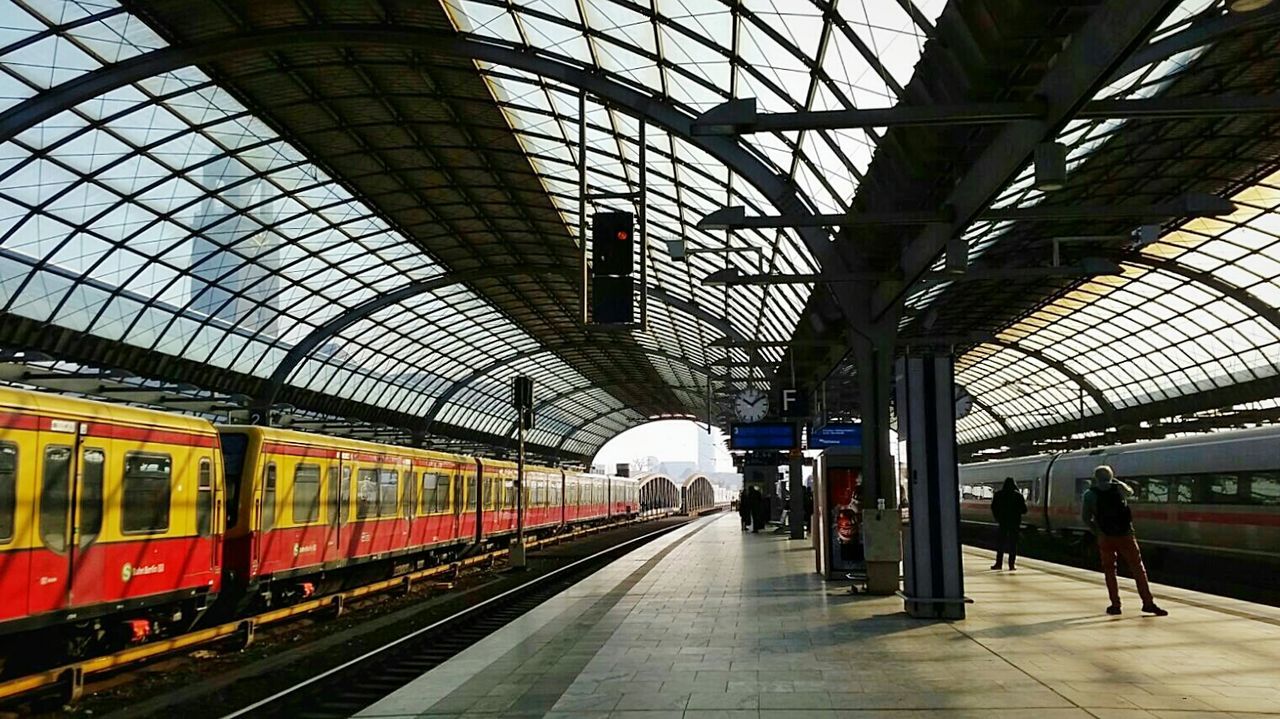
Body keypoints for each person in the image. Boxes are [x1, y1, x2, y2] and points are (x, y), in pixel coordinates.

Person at [1082, 465, 1168, 616]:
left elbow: (1085, 518)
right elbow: (1131, 491)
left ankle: (1115, 605)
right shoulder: (1120, 489)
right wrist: (1114, 481)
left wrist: (1098, 532)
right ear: (1111, 476)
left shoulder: (1089, 494)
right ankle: (1148, 602)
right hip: (1126, 535)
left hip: (1105, 537)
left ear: (1095, 478)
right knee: (1138, 569)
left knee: (1110, 570)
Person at [989, 478, 1027, 570]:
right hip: (1014, 523)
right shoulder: (1018, 496)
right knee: (1013, 545)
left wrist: (997, 517)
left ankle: (998, 564)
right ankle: (1011, 565)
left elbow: (993, 507)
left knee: (1000, 544)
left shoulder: (998, 495)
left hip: (1003, 522)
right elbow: (1024, 510)